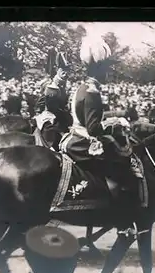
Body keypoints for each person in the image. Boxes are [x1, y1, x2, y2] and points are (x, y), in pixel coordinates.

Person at [59, 33, 143, 204]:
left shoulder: (82, 87)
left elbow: (88, 117)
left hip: (74, 137)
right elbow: (93, 128)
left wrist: (116, 116)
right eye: (107, 69)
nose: (109, 72)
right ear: (99, 70)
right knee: (124, 159)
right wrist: (116, 123)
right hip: (83, 142)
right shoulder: (93, 92)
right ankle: (120, 209)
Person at [34, 50, 73, 150]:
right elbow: (53, 109)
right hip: (51, 118)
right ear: (57, 70)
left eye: (67, 70)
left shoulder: (62, 86)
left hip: (60, 116)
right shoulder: (51, 87)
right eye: (62, 70)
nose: (66, 73)